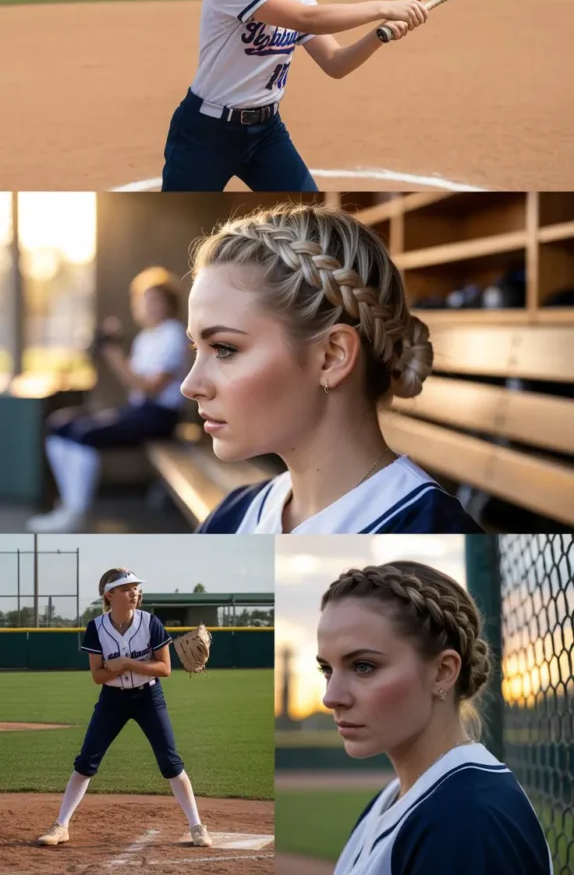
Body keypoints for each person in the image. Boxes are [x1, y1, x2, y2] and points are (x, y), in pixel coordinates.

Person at [181, 202, 483, 534]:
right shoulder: (233, 516)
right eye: (197, 347)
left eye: (225, 349)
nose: (190, 384)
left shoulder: (433, 531)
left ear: (332, 356)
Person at [161, 0, 428, 192]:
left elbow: (335, 63)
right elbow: (306, 18)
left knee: (308, 210)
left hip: (266, 133)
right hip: (207, 133)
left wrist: (379, 34)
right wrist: (384, 6)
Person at [317, 560, 553, 875]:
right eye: (327, 669)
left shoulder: (467, 821)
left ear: (443, 672)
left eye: (363, 666)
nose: (331, 697)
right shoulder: (396, 798)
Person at [37, 568, 211, 848]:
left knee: (170, 763)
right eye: (126, 588)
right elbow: (97, 676)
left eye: (136, 587)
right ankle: (61, 826)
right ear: (109, 595)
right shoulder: (96, 628)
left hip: (149, 698)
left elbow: (164, 669)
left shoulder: (150, 622)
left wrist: (127, 663)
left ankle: (197, 826)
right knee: (86, 762)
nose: (134, 592)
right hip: (112, 701)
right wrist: (116, 670)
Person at [27, 267, 189, 534]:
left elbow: (150, 388)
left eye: (154, 300)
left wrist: (112, 351)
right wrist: (109, 348)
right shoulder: (145, 337)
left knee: (84, 435)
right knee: (59, 424)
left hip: (159, 417)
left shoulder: (172, 333)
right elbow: (133, 384)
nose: (147, 306)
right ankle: (68, 506)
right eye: (144, 300)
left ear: (168, 304)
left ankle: (77, 513)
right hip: (138, 411)